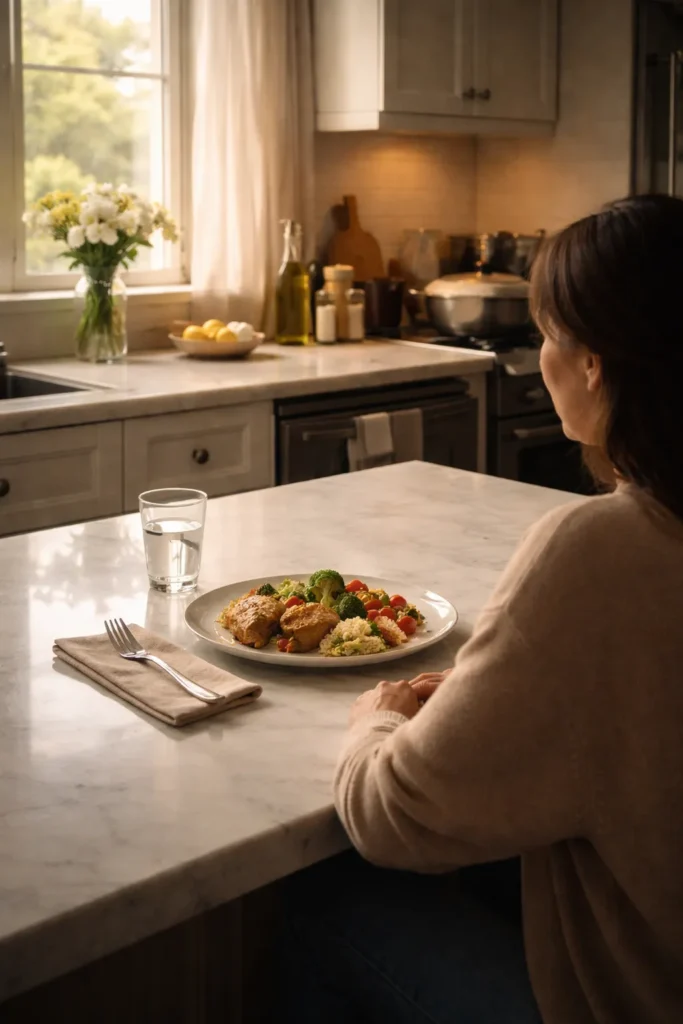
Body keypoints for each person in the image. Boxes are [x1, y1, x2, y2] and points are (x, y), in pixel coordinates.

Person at [281, 195, 683, 1024]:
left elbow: (393, 816)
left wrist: (376, 722)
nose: (540, 358)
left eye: (544, 335)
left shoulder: (596, 550)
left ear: (595, 364)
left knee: (323, 898)